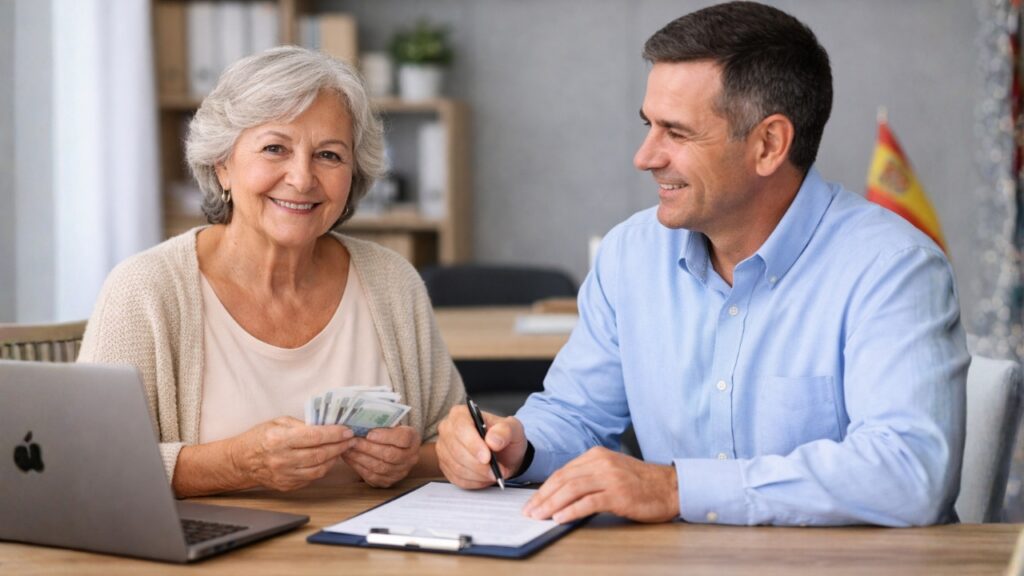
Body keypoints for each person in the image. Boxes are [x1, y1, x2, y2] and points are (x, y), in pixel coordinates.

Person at [437, 1, 968, 527]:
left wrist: (675, 487)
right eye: (648, 125)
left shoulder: (894, 267)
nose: (645, 157)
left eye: (677, 132)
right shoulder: (631, 255)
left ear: (769, 144)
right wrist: (517, 447)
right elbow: (576, 415)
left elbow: (909, 472)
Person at [79, 46, 465, 497]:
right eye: (275, 148)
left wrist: (408, 460)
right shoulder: (145, 289)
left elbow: (454, 441)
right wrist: (237, 466)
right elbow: (90, 463)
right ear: (223, 164)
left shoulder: (393, 282)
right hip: (206, 563)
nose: (302, 178)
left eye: (329, 155)